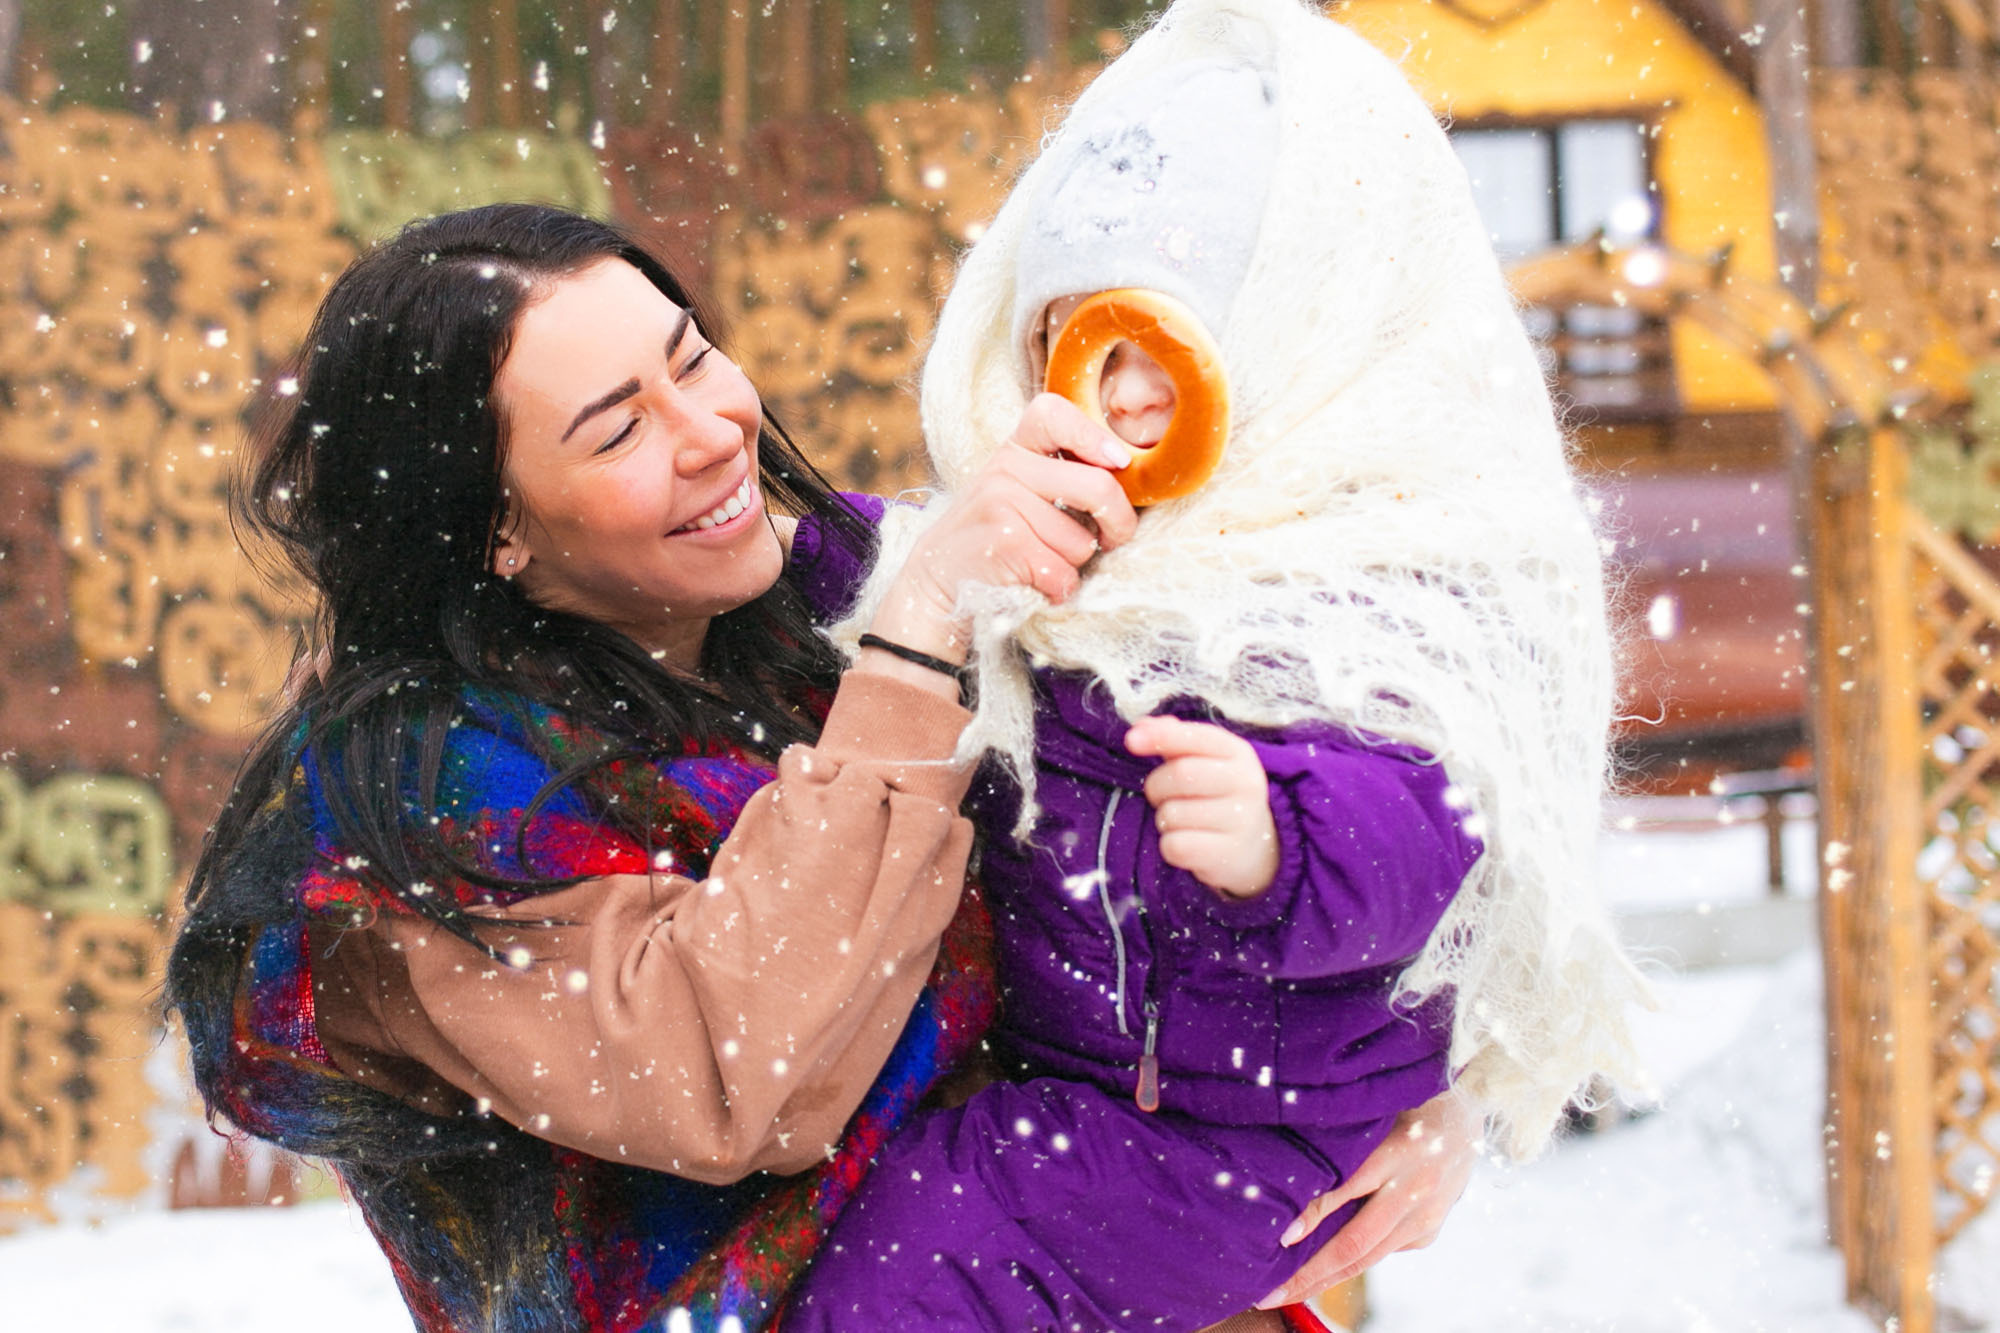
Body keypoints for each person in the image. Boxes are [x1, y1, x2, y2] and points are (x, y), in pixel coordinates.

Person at [163, 201, 1475, 1333]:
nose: (714, 429)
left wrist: (1388, 1086)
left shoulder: (805, 615)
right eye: (620, 429)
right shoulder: (400, 826)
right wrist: (919, 643)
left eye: (692, 358)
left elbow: (1215, 808)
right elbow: (732, 1068)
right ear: (494, 526)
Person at [791, 1, 1653, 1328]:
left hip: (1242, 1140)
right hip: (1095, 1084)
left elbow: (1441, 819)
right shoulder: (1075, 546)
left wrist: (1282, 843)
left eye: (1168, 348)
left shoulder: (1354, 567)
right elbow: (894, 561)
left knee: (921, 1257)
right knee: (909, 1227)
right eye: (1081, 346)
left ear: (1277, 358)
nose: (1124, 396)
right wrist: (815, 552)